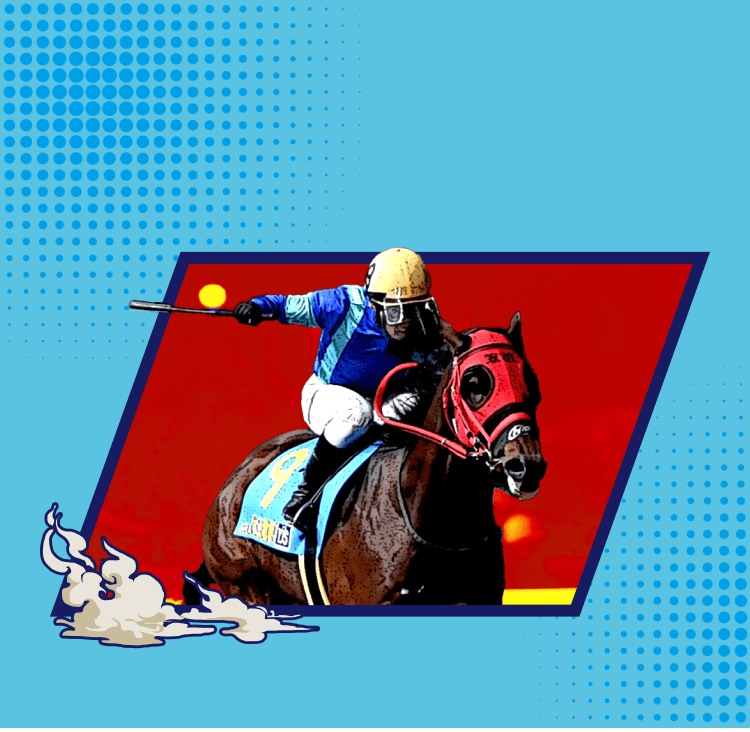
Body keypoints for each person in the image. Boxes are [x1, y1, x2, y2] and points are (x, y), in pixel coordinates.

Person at [233, 248, 448, 533]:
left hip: (383, 400)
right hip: (329, 393)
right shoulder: (342, 303)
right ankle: (305, 494)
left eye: (414, 308)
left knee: (422, 399)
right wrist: (257, 306)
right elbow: (289, 305)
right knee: (356, 413)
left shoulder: (426, 321)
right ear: (374, 303)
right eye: (397, 310)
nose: (407, 320)